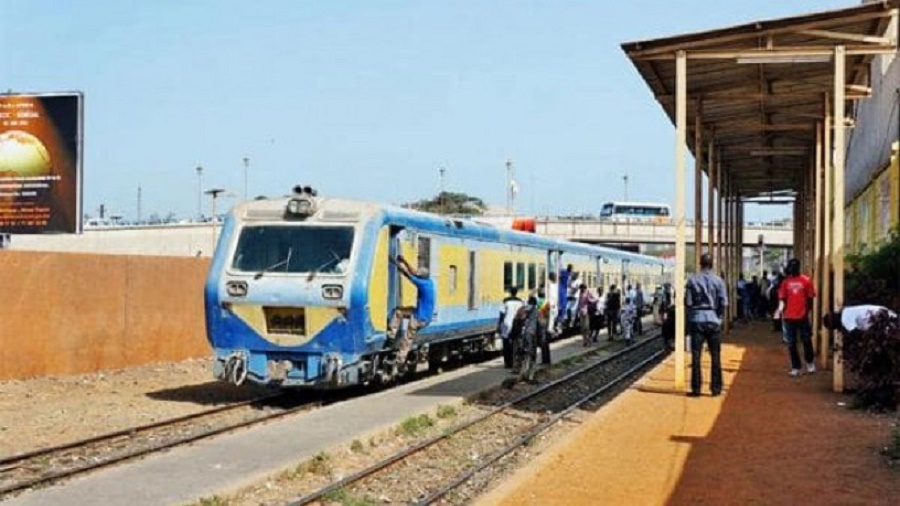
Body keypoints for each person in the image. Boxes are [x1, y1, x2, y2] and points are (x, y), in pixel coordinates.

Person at [685, 252, 728, 397]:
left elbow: (689, 303)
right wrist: (719, 317)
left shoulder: (692, 280)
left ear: (700, 263)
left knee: (696, 356)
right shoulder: (719, 281)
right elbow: (723, 302)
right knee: (715, 355)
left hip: (697, 320)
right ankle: (716, 388)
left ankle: (696, 388)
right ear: (711, 264)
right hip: (713, 320)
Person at [391, 254, 436, 369]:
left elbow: (407, 274)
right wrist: (404, 260)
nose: (417, 273)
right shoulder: (429, 282)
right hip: (425, 317)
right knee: (399, 312)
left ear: (421, 276)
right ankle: (392, 333)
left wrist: (394, 262)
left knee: (407, 338)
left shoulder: (422, 284)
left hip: (418, 318)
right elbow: (414, 272)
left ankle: (400, 361)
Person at [773, 258, 817, 377]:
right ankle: (796, 367)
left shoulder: (806, 281)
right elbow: (782, 299)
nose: (792, 269)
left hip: (802, 317)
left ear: (798, 267)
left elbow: (810, 298)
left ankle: (810, 362)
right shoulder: (786, 283)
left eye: (794, 266)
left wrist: (806, 312)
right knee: (791, 344)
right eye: (790, 267)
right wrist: (779, 311)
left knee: (807, 341)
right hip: (789, 317)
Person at [498, 287, 525, 368]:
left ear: (510, 292)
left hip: (507, 324)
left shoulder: (505, 301)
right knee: (516, 344)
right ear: (516, 292)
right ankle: (516, 362)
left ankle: (507, 363)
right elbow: (523, 315)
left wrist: (499, 325)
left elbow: (502, 314)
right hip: (517, 325)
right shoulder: (521, 302)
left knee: (506, 345)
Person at [823, 305, 898, 334]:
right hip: (884, 313)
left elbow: (855, 334)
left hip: (883, 322)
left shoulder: (845, 320)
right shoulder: (847, 310)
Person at [535, 287, 552, 364]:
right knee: (545, 342)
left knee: (541, 342)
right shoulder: (547, 302)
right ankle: (547, 359)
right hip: (545, 322)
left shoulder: (536, 302)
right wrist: (548, 324)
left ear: (538, 295)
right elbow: (548, 314)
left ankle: (544, 360)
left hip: (539, 322)